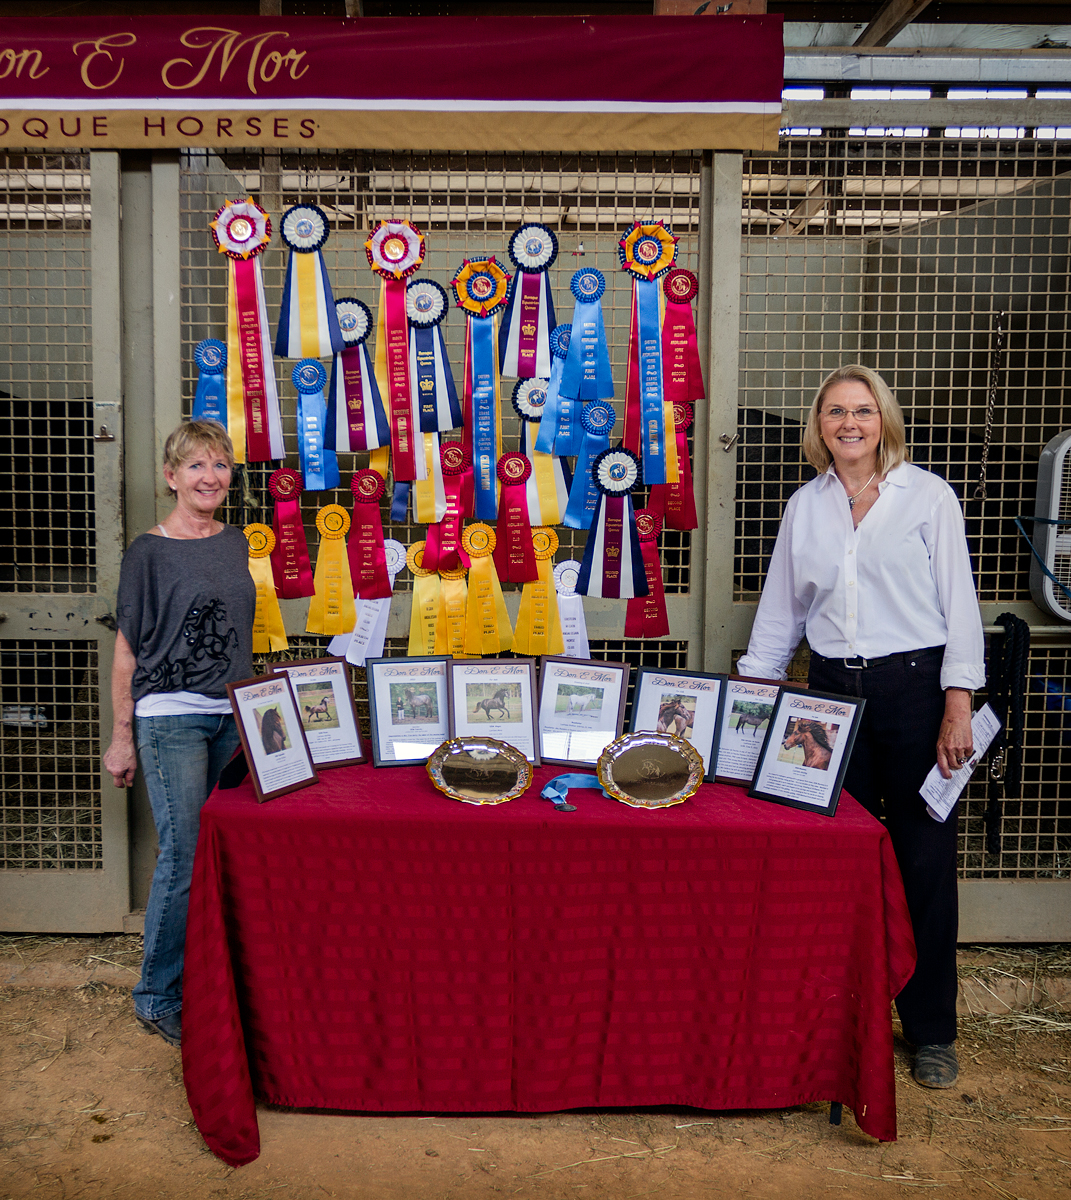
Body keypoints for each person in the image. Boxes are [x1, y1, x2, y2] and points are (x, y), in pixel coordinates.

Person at [737, 364, 985, 1090]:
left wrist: (957, 702)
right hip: (827, 699)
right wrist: (748, 712)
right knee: (828, 858)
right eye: (835, 412)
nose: (849, 423)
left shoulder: (927, 496)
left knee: (923, 862)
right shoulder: (804, 506)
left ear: (884, 420)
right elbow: (779, 618)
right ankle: (827, 1020)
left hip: (915, 692)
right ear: (818, 426)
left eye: (863, 411)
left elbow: (958, 604)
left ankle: (931, 1029)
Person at [103, 420, 255, 1048]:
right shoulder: (148, 551)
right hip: (170, 719)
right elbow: (126, 649)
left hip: (230, 715)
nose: (209, 477)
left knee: (224, 850)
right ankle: (157, 993)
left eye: (220, 465)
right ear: (170, 476)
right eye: (195, 465)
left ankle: (209, 979)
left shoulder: (237, 542)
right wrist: (122, 736)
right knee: (184, 855)